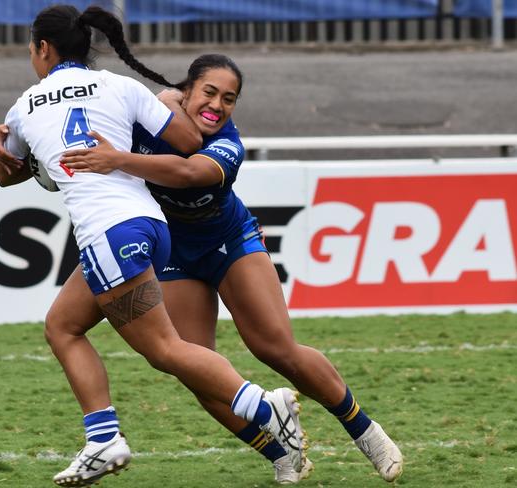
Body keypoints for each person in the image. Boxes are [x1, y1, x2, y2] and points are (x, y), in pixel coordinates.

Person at [0, 5, 305, 487]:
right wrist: (161, 110)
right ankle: (101, 439)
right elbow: (187, 138)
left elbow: (4, 177)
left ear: (42, 49)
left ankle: (264, 405)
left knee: (164, 350)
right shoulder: (120, 85)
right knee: (62, 325)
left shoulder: (23, 107)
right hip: (151, 227)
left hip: (106, 234)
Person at [57, 53, 404, 483]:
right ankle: (281, 454)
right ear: (185, 93)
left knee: (276, 348)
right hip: (172, 255)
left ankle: (366, 432)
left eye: (230, 98)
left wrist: (119, 160)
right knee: (196, 367)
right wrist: (11, 145)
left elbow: (186, 173)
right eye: (209, 92)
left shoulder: (229, 144)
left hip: (229, 243)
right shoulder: (147, 116)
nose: (218, 105)